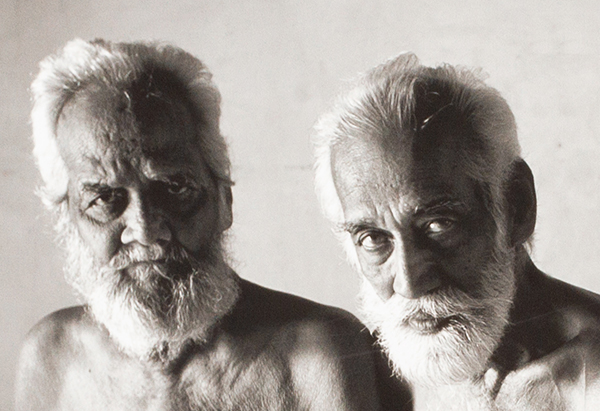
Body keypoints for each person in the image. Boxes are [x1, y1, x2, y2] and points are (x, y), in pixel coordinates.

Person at [15, 39, 409, 411]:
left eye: (174, 187)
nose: (145, 229)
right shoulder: (50, 357)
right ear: (68, 217)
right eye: (104, 199)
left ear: (224, 199)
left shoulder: (322, 355)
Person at [313, 53, 600, 410]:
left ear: (516, 207)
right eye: (373, 238)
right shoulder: (377, 372)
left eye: (437, 225)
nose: (409, 282)